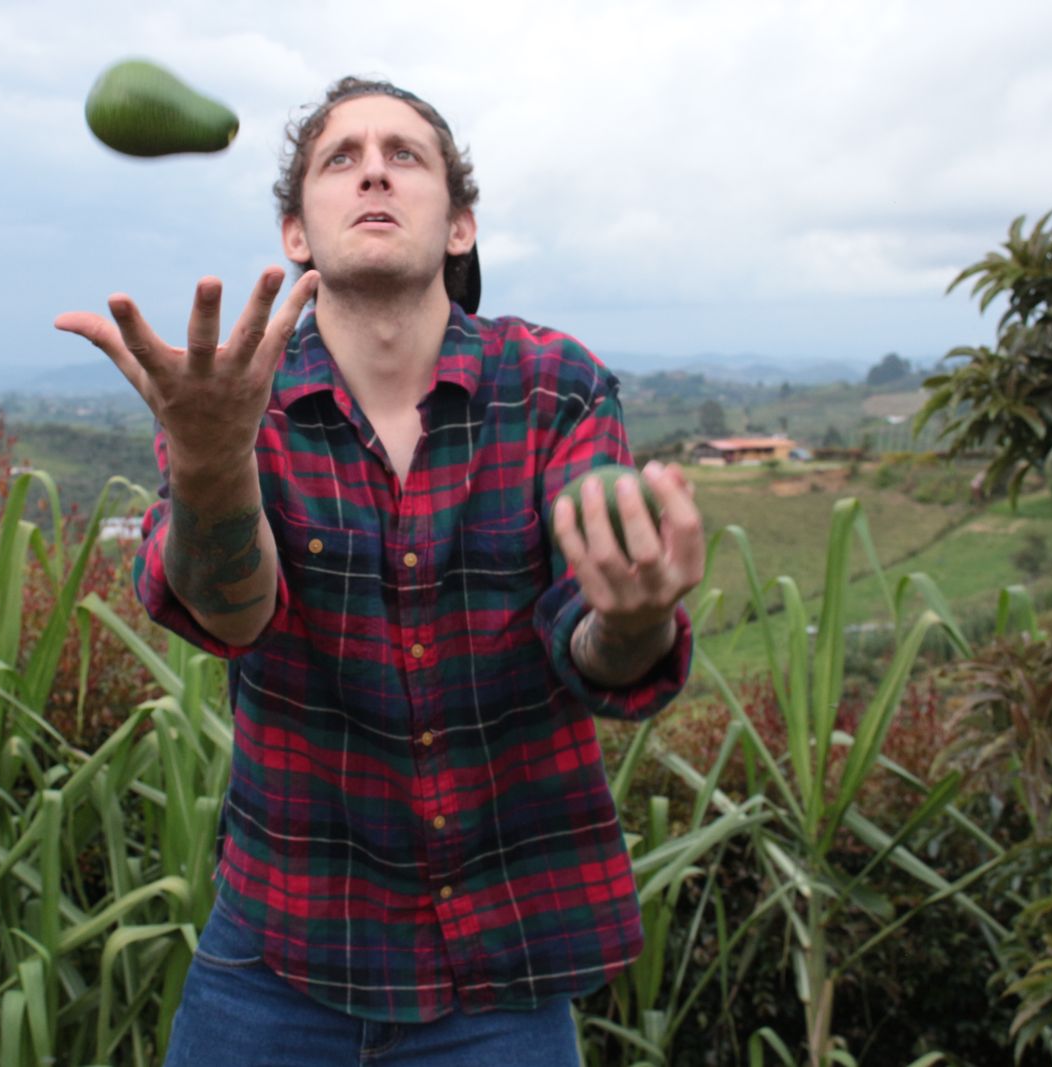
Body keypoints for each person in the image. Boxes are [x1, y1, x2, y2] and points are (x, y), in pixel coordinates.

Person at [56, 75, 706, 1067]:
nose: (373, 172)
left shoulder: (553, 385)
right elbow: (231, 614)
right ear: (296, 234)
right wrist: (210, 458)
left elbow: (599, 645)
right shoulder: (235, 401)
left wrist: (632, 615)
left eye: (405, 155)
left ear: (459, 226)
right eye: (340, 158)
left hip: (502, 969)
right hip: (279, 957)